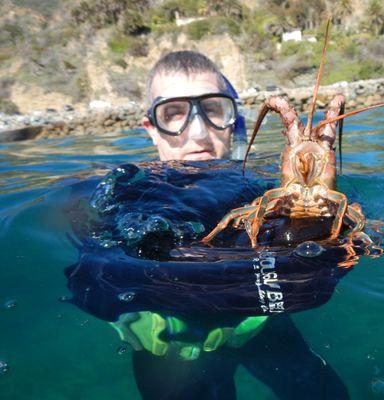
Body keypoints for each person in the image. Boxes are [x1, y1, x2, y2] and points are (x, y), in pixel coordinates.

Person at [114, 50, 349, 399]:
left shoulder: (264, 184)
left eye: (213, 110)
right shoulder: (128, 191)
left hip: (257, 323)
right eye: (173, 113)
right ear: (151, 128)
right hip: (171, 339)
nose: (197, 132)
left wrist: (317, 222)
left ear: (233, 118)